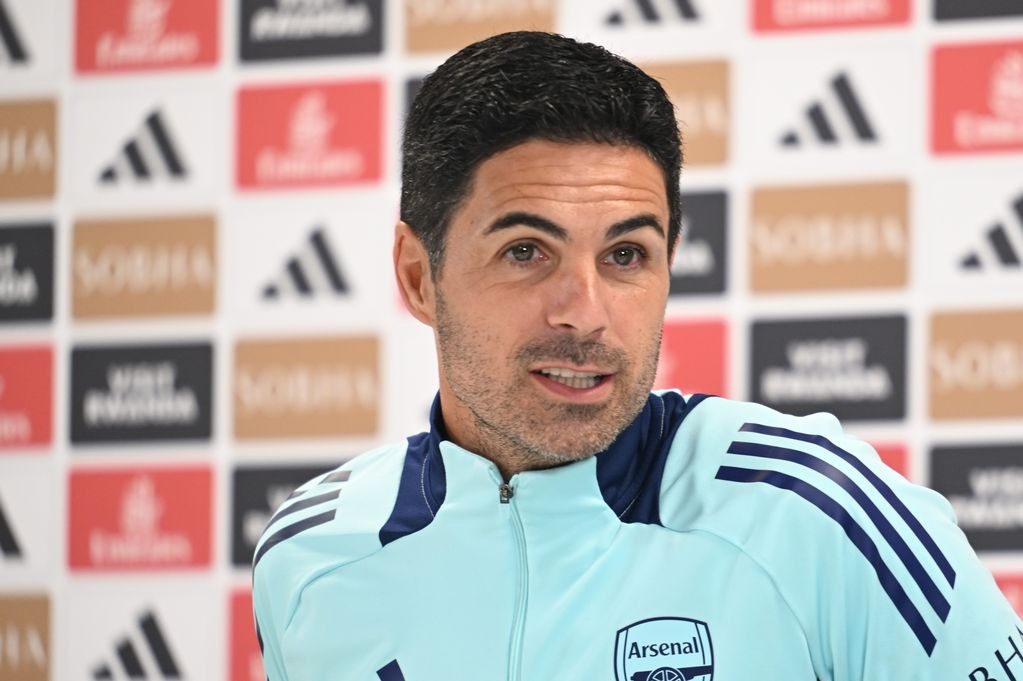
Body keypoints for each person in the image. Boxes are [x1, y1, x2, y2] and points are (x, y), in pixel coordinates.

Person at [252, 31, 1022, 680]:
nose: (585, 313)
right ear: (420, 277)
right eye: (525, 251)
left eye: (625, 254)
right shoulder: (308, 558)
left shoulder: (817, 513)